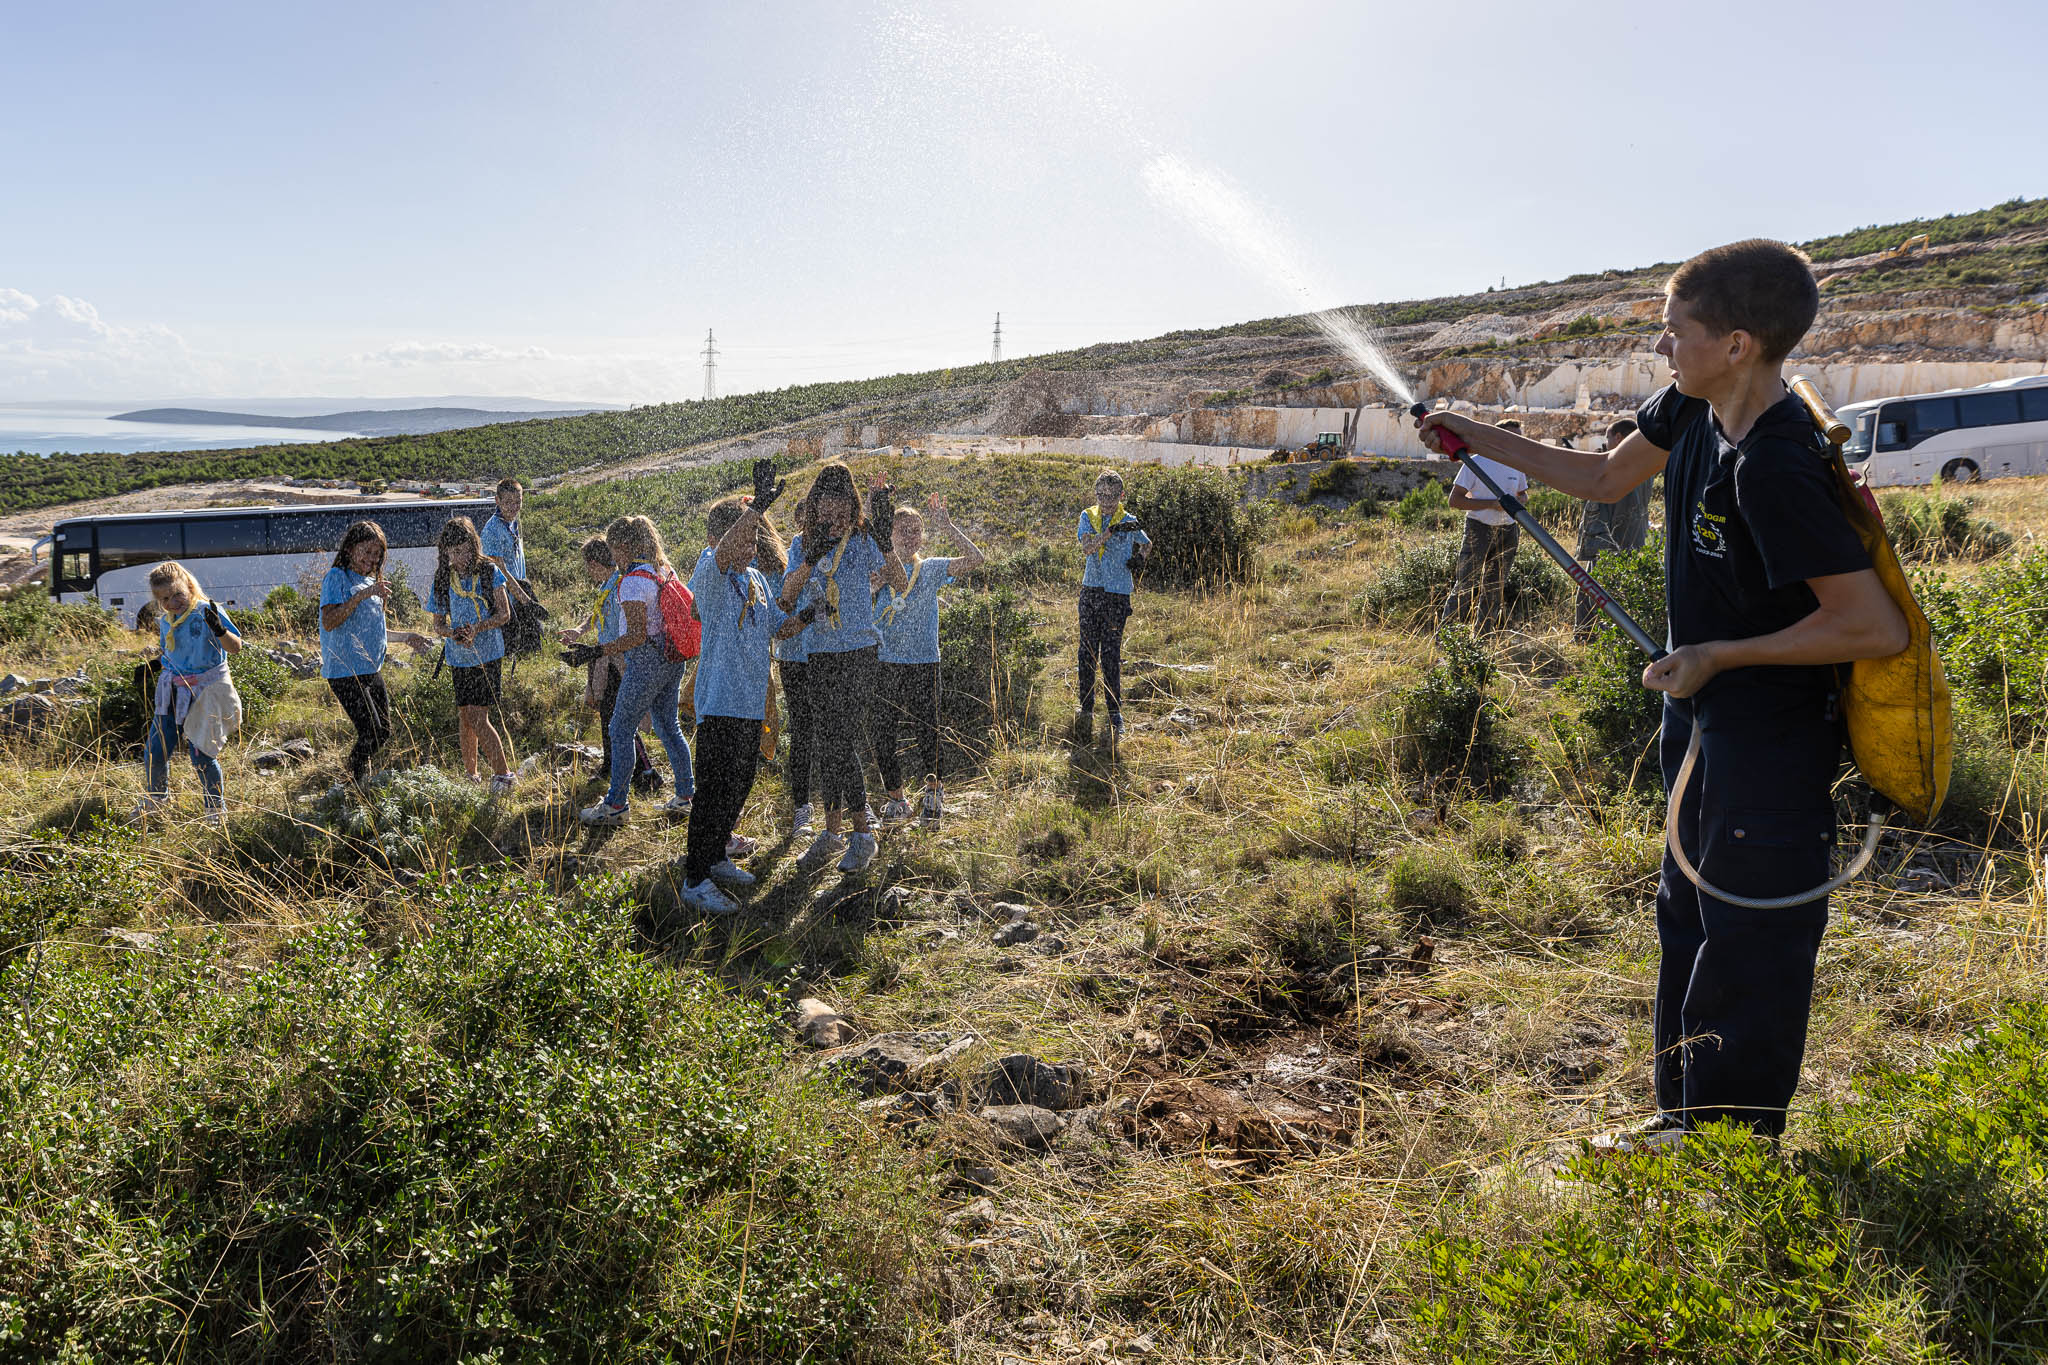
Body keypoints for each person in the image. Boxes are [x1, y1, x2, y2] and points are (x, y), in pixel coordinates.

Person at [1416, 238, 1909, 1144]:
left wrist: (1719, 655)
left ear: (1737, 344)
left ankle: (1730, 1143)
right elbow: (1604, 477)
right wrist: (1470, 433)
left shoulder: (1778, 463)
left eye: (1674, 331)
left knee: (1749, 930)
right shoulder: (1689, 409)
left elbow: (1872, 625)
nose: (1660, 346)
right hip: (1704, 721)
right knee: (1686, 906)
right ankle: (1681, 1116)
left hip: (1770, 739)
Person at [678, 467, 818, 913]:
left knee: (740, 784)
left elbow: (781, 630)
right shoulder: (709, 569)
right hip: (719, 701)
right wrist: (754, 507)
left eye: (757, 537)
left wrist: (811, 614)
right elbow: (721, 555)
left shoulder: (755, 580)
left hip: (750, 703)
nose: (754, 544)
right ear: (724, 538)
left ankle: (716, 856)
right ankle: (694, 879)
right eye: (746, 536)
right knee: (715, 789)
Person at [776, 463, 908, 873]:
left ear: (851, 505)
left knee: (839, 738)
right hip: (819, 653)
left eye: (838, 501)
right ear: (814, 504)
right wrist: (810, 557)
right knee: (830, 741)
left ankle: (861, 835)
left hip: (860, 651)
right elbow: (785, 598)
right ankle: (833, 834)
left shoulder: (863, 538)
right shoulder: (802, 543)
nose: (829, 510)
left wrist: (886, 541)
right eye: (822, 502)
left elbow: (901, 582)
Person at [575, 515, 697, 825]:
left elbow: (636, 635)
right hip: (672, 659)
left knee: (619, 728)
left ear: (625, 546)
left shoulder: (631, 582)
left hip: (646, 662)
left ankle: (616, 805)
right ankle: (686, 795)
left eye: (614, 550)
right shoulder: (661, 570)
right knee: (669, 727)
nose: (613, 557)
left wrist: (597, 650)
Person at [870, 493, 983, 827]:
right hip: (885, 661)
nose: (911, 537)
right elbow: (854, 610)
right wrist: (871, 588)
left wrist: (947, 527)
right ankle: (897, 801)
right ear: (888, 535)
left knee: (928, 731)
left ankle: (933, 795)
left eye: (916, 530)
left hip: (923, 661)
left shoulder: (930, 569)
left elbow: (975, 558)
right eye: (903, 530)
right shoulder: (877, 570)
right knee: (882, 733)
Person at [320, 520, 429, 785]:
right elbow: (330, 621)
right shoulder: (338, 577)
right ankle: (351, 783)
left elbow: (376, 629)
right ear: (349, 549)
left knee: (383, 731)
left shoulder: (372, 582)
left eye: (377, 554)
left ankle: (354, 781)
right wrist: (361, 596)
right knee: (371, 731)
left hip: (371, 669)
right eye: (367, 552)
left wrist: (406, 637)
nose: (372, 559)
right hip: (345, 671)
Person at [137, 561, 242, 824]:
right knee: (155, 749)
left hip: (207, 691)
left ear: (189, 586)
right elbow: (171, 653)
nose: (173, 602)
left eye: (177, 594)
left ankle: (215, 812)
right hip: (173, 689)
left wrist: (220, 630)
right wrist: (154, 665)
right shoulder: (166, 621)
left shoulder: (206, 610)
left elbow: (235, 647)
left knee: (201, 754)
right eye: (164, 599)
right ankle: (155, 802)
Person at [558, 536, 661, 794]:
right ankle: (611, 764)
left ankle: (645, 772)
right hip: (604, 657)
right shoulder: (608, 584)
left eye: (587, 565)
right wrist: (579, 632)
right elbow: (595, 615)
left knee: (621, 718)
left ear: (594, 563)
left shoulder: (619, 585)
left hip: (619, 659)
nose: (587, 571)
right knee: (607, 715)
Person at [428, 517, 516, 793]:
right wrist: (453, 632)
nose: (459, 558)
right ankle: (471, 775)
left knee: (479, 717)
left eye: (464, 551)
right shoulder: (443, 576)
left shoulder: (489, 571)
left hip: (487, 655)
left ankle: (504, 776)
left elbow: (504, 614)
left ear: (474, 545)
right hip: (458, 656)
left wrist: (478, 627)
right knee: (465, 717)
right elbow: (438, 624)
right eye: (453, 553)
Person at [1075, 468, 1151, 742]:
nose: (1106, 501)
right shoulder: (1089, 516)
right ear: (1095, 495)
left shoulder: (1129, 520)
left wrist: (1139, 560)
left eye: (1112, 496)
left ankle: (1114, 713)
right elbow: (1088, 549)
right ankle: (1086, 708)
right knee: (1086, 652)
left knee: (1110, 655)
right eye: (1101, 495)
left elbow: (1147, 543)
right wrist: (1108, 532)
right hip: (1092, 591)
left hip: (1117, 595)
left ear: (1122, 495)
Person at [1441, 419, 1530, 633]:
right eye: (1512, 435)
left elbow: (1523, 493)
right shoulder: (1475, 463)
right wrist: (1491, 504)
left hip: (1508, 530)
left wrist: (1519, 502)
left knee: (1494, 588)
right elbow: (1455, 501)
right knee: (1466, 584)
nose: (1516, 440)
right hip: (1478, 528)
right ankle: (1446, 637)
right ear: (1498, 437)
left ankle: (1483, 637)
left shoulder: (1517, 464)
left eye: (1519, 436)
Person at [1574, 417, 1654, 637]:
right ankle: (1616, 636)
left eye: (1608, 436)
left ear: (1618, 437)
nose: (1607, 441)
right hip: (1634, 538)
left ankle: (1587, 635)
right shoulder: (1647, 465)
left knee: (1592, 589)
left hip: (1607, 538)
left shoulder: (1615, 466)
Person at [775, 498, 821, 838]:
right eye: (806, 521)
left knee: (835, 727)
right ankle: (802, 806)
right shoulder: (795, 549)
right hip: (795, 653)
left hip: (829, 651)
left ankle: (850, 803)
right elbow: (786, 600)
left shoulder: (839, 546)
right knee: (803, 728)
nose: (811, 528)